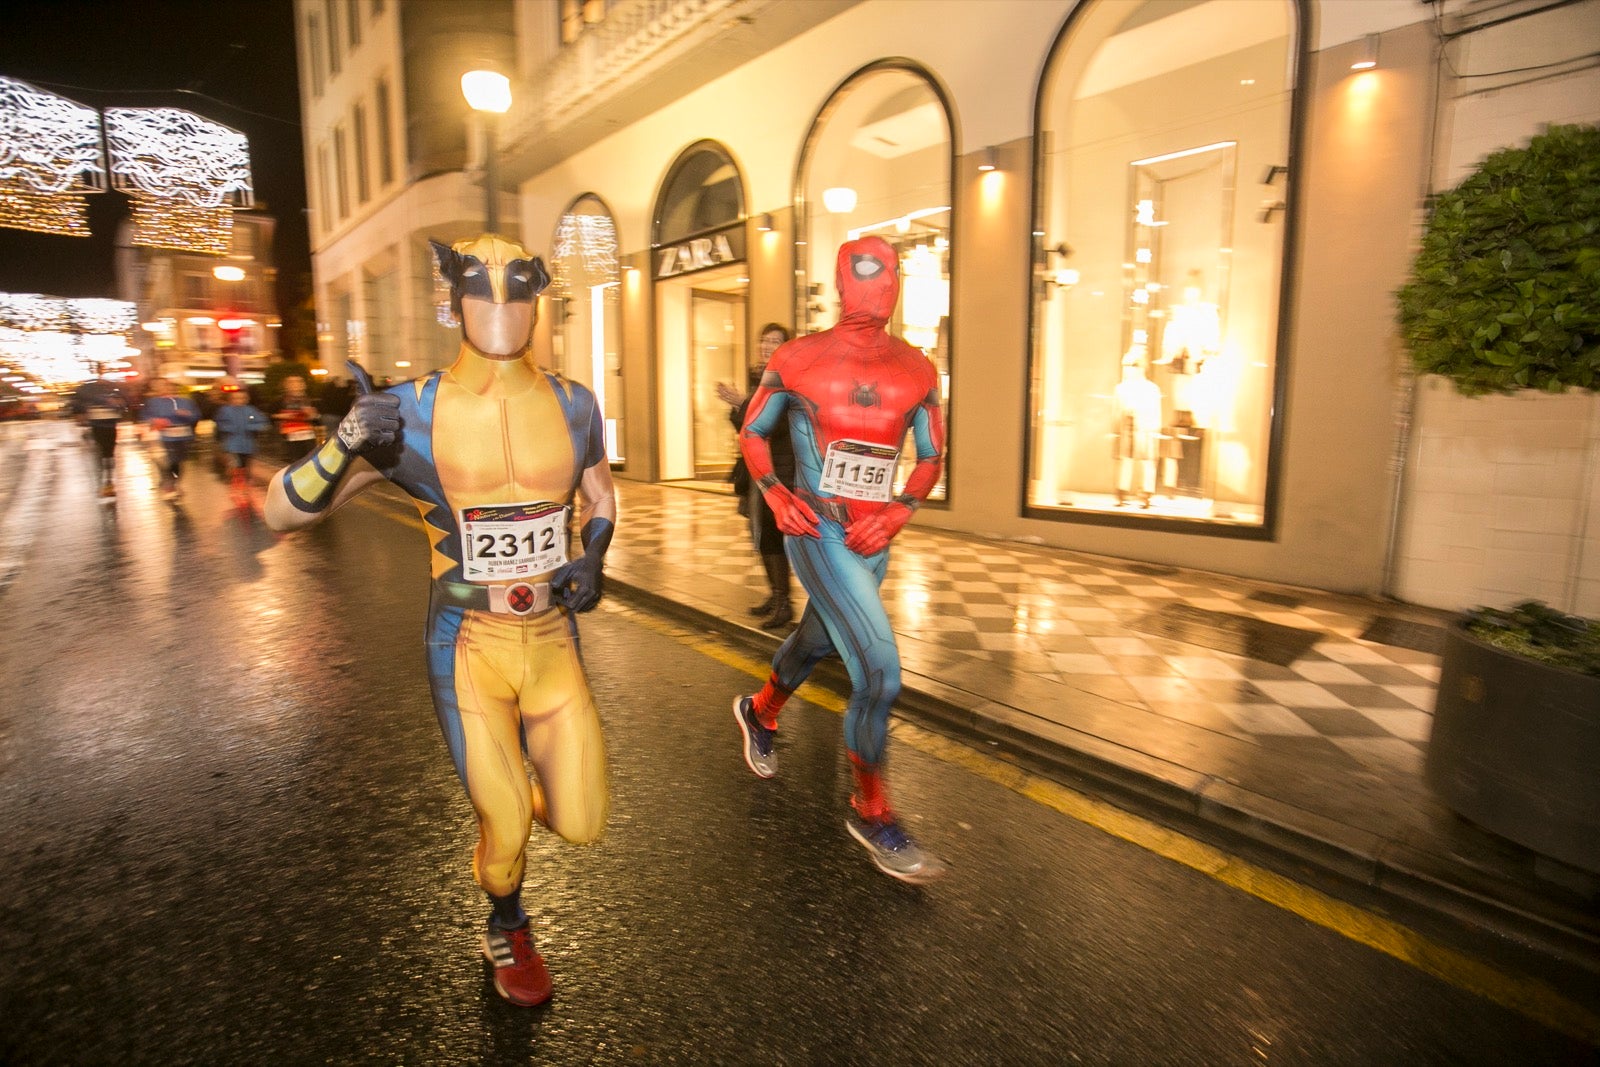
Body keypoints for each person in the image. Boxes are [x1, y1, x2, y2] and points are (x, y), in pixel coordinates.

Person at [264, 234, 615, 1008]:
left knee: (584, 820)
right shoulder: (409, 415)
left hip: (555, 638)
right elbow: (281, 511)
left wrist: (594, 553)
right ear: (452, 299)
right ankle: (507, 916)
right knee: (507, 831)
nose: (500, 305)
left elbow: (602, 496)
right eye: (482, 290)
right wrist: (346, 439)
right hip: (467, 643)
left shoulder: (575, 402)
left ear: (539, 296)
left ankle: (504, 811)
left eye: (518, 289)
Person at [733, 236, 947, 884]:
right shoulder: (797, 359)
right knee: (879, 672)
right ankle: (871, 807)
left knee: (817, 638)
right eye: (863, 273)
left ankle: (761, 709)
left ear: (899, 282)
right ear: (840, 280)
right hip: (816, 529)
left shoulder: (920, 369)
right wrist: (773, 492)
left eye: (886, 274)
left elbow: (933, 453)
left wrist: (901, 508)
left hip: (872, 540)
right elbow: (752, 430)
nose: (875, 286)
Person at [717, 322, 795, 629]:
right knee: (762, 537)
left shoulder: (787, 379)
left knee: (774, 539)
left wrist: (742, 403)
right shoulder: (760, 378)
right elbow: (748, 427)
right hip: (757, 471)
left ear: (785, 347)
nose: (767, 346)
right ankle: (776, 596)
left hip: (780, 472)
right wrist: (740, 407)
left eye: (774, 341)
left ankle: (785, 603)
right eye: (764, 341)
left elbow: (775, 423)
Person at [68, 374, 130, 497]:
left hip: (111, 425)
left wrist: (119, 403)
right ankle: (103, 482)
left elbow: (126, 403)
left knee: (109, 454)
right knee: (100, 453)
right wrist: (79, 414)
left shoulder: (115, 389)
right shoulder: (88, 389)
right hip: (97, 425)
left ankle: (108, 480)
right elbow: (78, 402)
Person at [140, 378, 202, 499]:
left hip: (182, 435)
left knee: (178, 461)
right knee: (165, 459)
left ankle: (174, 482)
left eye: (170, 386)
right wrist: (155, 420)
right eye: (162, 386)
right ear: (156, 389)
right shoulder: (153, 402)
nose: (167, 388)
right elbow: (145, 416)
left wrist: (188, 415)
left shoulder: (186, 401)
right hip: (162, 435)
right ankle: (169, 483)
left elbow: (196, 416)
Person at [212, 386, 270, 502]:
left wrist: (251, 427)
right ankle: (237, 484)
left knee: (246, 465)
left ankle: (245, 485)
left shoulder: (250, 410)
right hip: (233, 444)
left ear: (246, 399)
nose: (238, 401)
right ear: (231, 399)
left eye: (241, 398)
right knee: (236, 465)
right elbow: (220, 424)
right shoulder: (225, 410)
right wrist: (230, 428)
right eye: (235, 398)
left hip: (248, 444)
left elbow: (262, 422)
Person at [272, 373, 320, 462]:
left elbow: (317, 418)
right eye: (292, 382)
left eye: (299, 382)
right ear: (286, 385)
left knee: (310, 460)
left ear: (303, 385)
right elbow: (271, 416)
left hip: (308, 436)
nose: (296, 384)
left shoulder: (309, 400)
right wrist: (282, 416)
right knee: (295, 462)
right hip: (290, 436)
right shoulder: (280, 401)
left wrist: (312, 415)